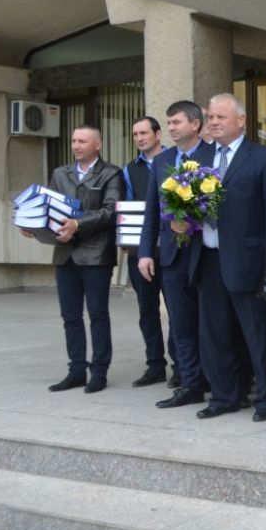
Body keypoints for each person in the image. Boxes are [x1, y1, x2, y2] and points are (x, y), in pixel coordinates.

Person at [192, 93, 266, 422]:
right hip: (207, 257)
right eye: (211, 117)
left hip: (249, 261)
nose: (214, 122)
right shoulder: (200, 159)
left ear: (241, 121)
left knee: (258, 333)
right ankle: (224, 396)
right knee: (214, 333)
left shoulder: (264, 159)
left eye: (221, 117)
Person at [30, 126, 124, 394]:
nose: (76, 145)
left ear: (98, 145)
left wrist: (77, 224)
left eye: (82, 141)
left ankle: (99, 372)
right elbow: (48, 208)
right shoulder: (61, 173)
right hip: (65, 255)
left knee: (97, 314)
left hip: (96, 255)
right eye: (73, 141)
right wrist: (32, 224)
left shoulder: (110, 173)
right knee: (70, 316)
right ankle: (76, 371)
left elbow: (111, 211)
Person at [139, 101, 215, 410]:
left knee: (211, 322)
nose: (170, 127)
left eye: (176, 122)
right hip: (171, 255)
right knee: (181, 323)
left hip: (206, 254)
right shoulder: (162, 161)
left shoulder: (214, 155)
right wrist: (146, 253)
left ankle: (219, 379)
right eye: (168, 123)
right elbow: (151, 213)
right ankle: (189, 382)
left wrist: (195, 220)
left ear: (195, 124)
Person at [121, 115, 178, 389]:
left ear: (158, 134)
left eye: (144, 133)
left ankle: (181, 367)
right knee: (147, 311)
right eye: (135, 134)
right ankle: (155, 366)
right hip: (140, 251)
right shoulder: (129, 170)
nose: (139, 138)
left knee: (177, 311)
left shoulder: (175, 161)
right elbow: (126, 207)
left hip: (171, 248)